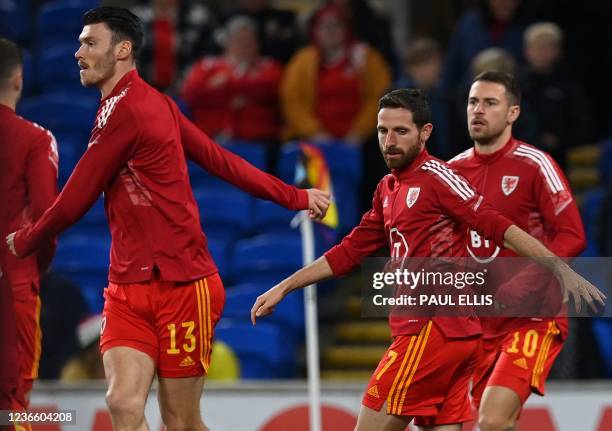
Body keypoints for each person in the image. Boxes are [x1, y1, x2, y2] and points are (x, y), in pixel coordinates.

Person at [5, 7, 329, 431]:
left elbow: (74, 201)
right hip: (127, 286)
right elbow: (220, 159)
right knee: (122, 403)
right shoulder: (140, 105)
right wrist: (294, 195)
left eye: (89, 43)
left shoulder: (133, 110)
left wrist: (24, 240)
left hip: (183, 285)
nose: (77, 52)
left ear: (123, 50)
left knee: (180, 421)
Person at [251, 88, 605, 431]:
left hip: (431, 329)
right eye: (383, 131)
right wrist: (284, 287)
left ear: (425, 133)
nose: (389, 141)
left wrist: (559, 269)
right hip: (453, 336)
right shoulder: (388, 188)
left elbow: (500, 226)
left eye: (401, 131)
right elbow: (349, 251)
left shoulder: (440, 178)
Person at [448, 71, 586, 431]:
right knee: (485, 423)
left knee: (492, 420)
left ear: (513, 113)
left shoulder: (535, 164)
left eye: (490, 103)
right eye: (473, 102)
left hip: (533, 315)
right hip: (478, 323)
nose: (478, 110)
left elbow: (572, 235)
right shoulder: (451, 173)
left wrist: (524, 286)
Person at [0, 37, 59, 417]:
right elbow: (45, 215)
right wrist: (36, 267)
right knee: (13, 408)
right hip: (13, 285)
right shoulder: (36, 139)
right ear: (18, 79)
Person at [519, 22, 596, 170]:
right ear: (527, 51)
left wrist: (559, 139)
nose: (542, 52)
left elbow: (585, 126)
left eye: (548, 47)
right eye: (537, 46)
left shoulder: (569, 86)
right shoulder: (514, 86)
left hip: (559, 160)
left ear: (558, 51)